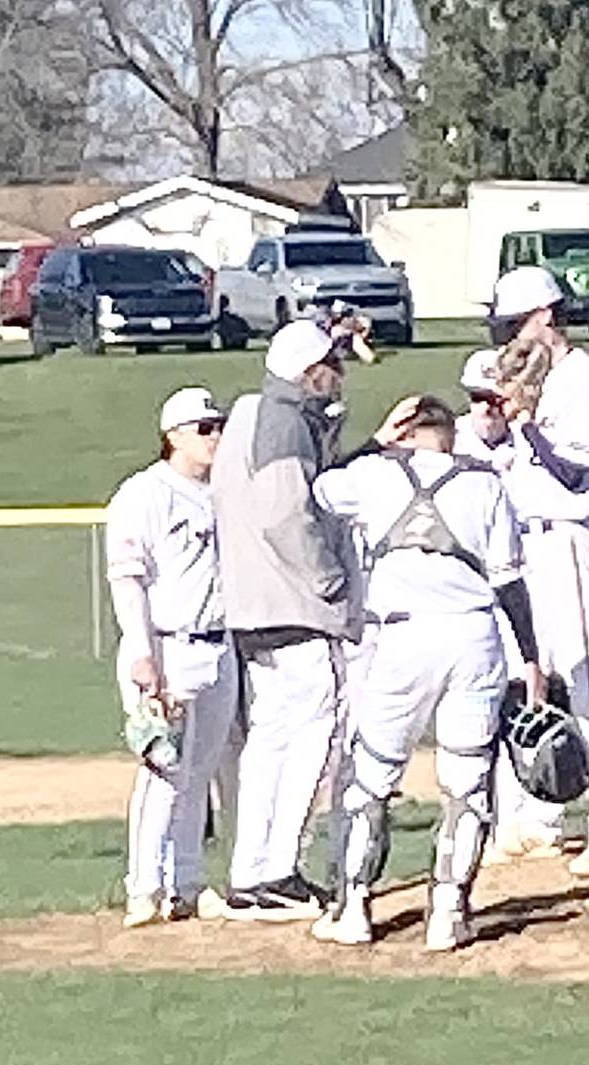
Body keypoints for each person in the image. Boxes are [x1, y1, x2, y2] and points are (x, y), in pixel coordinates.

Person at [309, 396, 546, 950]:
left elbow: (319, 488)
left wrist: (376, 440)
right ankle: (448, 911)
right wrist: (531, 657)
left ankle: (355, 908)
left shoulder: (374, 473)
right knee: (466, 782)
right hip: (473, 636)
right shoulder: (485, 483)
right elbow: (510, 582)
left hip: (402, 638)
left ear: (407, 432)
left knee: (373, 777)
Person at [486, 266, 589, 877]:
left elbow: (575, 472)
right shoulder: (540, 383)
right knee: (537, 676)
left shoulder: (582, 378)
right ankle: (544, 817)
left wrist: (524, 427)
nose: (509, 337)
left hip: (569, 538)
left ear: (546, 316)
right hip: (531, 543)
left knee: (585, 676)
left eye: (516, 323)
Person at [210, 320, 361, 921]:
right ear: (309, 371)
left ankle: (252, 871)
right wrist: (329, 579)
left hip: (251, 606)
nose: (340, 373)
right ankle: (278, 870)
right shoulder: (283, 422)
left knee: (271, 736)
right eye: (332, 364)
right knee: (313, 729)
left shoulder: (251, 414)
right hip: (294, 603)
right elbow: (284, 511)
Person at [105, 387, 237, 927]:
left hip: (219, 644)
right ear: (174, 435)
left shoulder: (226, 492)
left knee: (202, 772)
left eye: (218, 425)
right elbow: (127, 577)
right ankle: (144, 885)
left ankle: (186, 881)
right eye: (204, 428)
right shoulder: (144, 493)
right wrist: (141, 653)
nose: (215, 437)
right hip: (167, 644)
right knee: (164, 770)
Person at [454, 349, 566, 862]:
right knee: (490, 699)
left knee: (545, 684)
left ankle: (544, 817)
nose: (486, 410)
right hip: (477, 586)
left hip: (536, 572)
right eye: (477, 399)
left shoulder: (532, 437)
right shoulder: (450, 446)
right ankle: (498, 822)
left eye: (495, 400)